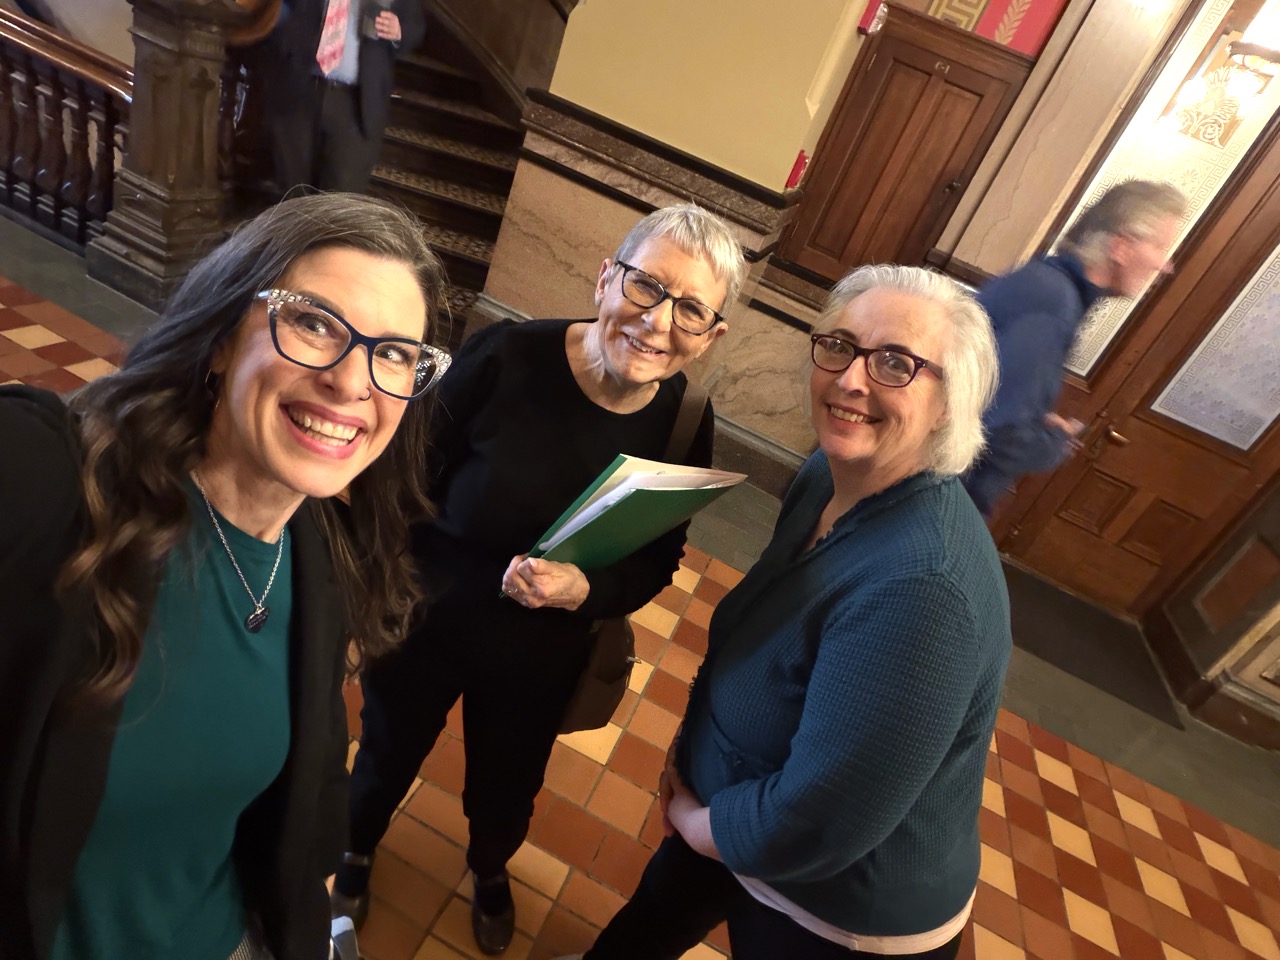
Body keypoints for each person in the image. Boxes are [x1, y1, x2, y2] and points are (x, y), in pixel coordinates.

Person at [0, 193, 450, 960]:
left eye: (394, 354)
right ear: (220, 338)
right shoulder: (49, 479)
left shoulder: (323, 561)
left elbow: (305, 806)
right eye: (313, 322)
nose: (352, 384)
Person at [331, 203, 746, 955]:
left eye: (691, 309)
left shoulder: (685, 423)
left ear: (712, 336)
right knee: (386, 750)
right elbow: (405, 478)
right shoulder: (505, 357)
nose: (657, 324)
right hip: (428, 616)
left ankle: (488, 867)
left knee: (507, 784)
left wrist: (586, 592)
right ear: (604, 279)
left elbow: (658, 557)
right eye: (647, 287)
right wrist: (375, 587)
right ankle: (356, 848)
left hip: (540, 654)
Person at [564, 264, 1011, 960]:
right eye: (840, 346)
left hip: (831, 907)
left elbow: (820, 822)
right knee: (647, 925)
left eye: (895, 363)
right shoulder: (825, 478)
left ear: (952, 400)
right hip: (736, 808)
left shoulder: (924, 591)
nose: (852, 380)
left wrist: (694, 818)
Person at [962, 179, 1186, 517]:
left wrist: (1035, 416)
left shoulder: (1046, 284)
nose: (1165, 265)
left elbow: (989, 393)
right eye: (1161, 248)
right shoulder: (1052, 304)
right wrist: (1056, 443)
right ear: (1121, 248)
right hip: (943, 498)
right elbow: (998, 435)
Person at [254, 0, 426, 193]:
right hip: (297, 89)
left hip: (356, 104)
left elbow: (415, 27)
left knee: (339, 204)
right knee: (291, 195)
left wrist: (399, 30)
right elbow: (274, 11)